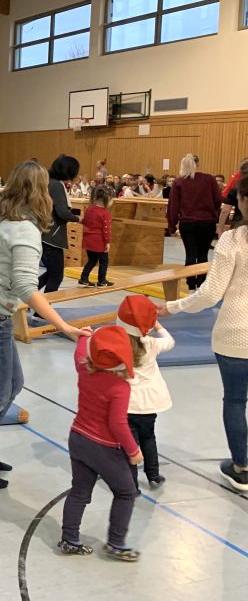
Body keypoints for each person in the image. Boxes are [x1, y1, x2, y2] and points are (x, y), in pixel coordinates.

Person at [0, 161, 90, 488]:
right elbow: (27, 288)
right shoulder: (24, 229)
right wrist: (64, 326)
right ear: (42, 192)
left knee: (12, 384)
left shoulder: (2, 217)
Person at [158, 177, 248, 491]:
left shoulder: (233, 240)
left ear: (242, 201)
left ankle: (242, 467)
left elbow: (210, 294)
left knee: (235, 401)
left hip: (235, 335)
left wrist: (172, 307)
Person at [59, 325, 142, 561]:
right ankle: (116, 543)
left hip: (78, 437)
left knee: (79, 492)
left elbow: (80, 353)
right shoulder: (120, 387)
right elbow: (118, 424)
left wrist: (84, 336)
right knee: (126, 492)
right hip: (103, 446)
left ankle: (69, 539)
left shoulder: (85, 369)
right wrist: (133, 451)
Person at [115, 295, 174, 490]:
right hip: (149, 403)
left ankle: (131, 483)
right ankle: (153, 475)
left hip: (125, 404)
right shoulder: (152, 343)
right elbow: (170, 341)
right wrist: (157, 325)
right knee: (148, 437)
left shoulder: (117, 345)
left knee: (129, 444)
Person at [167, 154, 222, 290]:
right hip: (207, 222)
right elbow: (218, 200)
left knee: (190, 253)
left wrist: (172, 226)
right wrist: (214, 215)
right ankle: (202, 283)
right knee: (203, 254)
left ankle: (191, 283)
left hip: (188, 223)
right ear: (198, 164)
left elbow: (173, 206)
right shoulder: (209, 179)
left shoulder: (179, 182)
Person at [38, 154, 81, 294]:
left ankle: (28, 299)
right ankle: (42, 306)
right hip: (51, 236)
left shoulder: (48, 182)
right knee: (56, 276)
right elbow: (62, 212)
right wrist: (78, 218)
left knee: (51, 273)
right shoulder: (56, 185)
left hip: (45, 233)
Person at [79, 185, 114, 288]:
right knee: (104, 261)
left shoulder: (90, 209)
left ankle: (83, 278)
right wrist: (107, 242)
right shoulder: (105, 213)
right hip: (99, 241)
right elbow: (106, 230)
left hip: (88, 239)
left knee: (92, 260)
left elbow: (85, 221)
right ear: (107, 199)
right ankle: (102, 281)